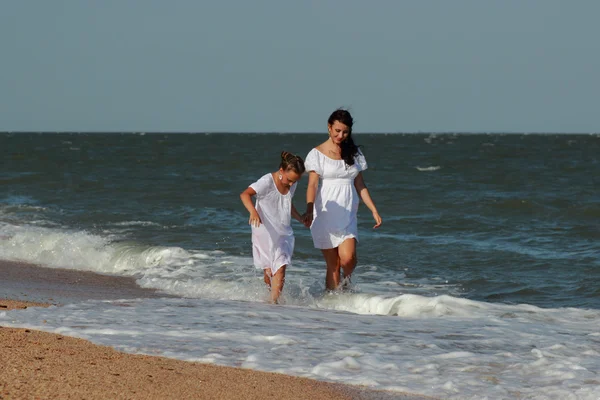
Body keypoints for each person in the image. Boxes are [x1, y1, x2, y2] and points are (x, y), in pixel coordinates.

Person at [303, 109, 382, 291]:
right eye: (337, 131)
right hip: (324, 213)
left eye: (345, 132)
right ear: (329, 127)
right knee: (333, 266)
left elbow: (360, 184)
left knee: (348, 259)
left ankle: (346, 283)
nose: (340, 135)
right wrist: (308, 209)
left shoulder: (354, 153)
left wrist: (373, 209)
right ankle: (333, 307)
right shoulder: (316, 154)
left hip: (347, 213)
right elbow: (312, 185)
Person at [240, 151, 306, 303]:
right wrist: (253, 212)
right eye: (289, 180)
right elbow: (245, 194)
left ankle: (274, 303)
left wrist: (300, 218)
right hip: (264, 230)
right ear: (282, 171)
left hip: (282, 231)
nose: (291, 184)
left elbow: (287, 204)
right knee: (269, 271)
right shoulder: (267, 181)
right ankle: (270, 299)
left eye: (294, 181)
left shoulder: (292, 183)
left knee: (281, 267)